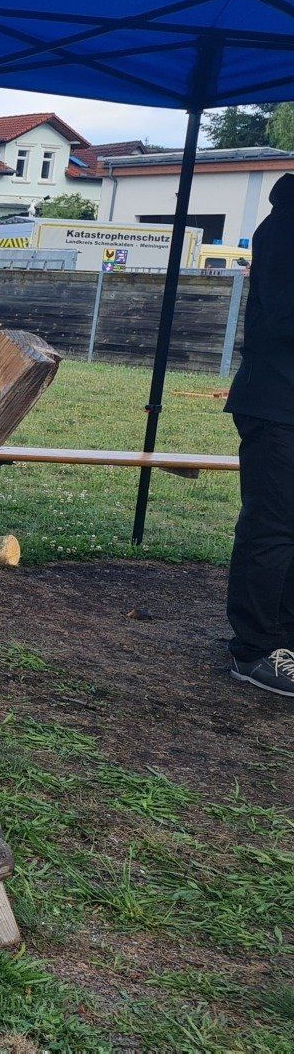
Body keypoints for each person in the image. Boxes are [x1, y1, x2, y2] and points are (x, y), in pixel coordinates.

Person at [225, 173, 294, 698]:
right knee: (274, 527)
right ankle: (255, 649)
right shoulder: (287, 225)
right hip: (279, 402)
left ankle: (285, 638)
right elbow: (282, 318)